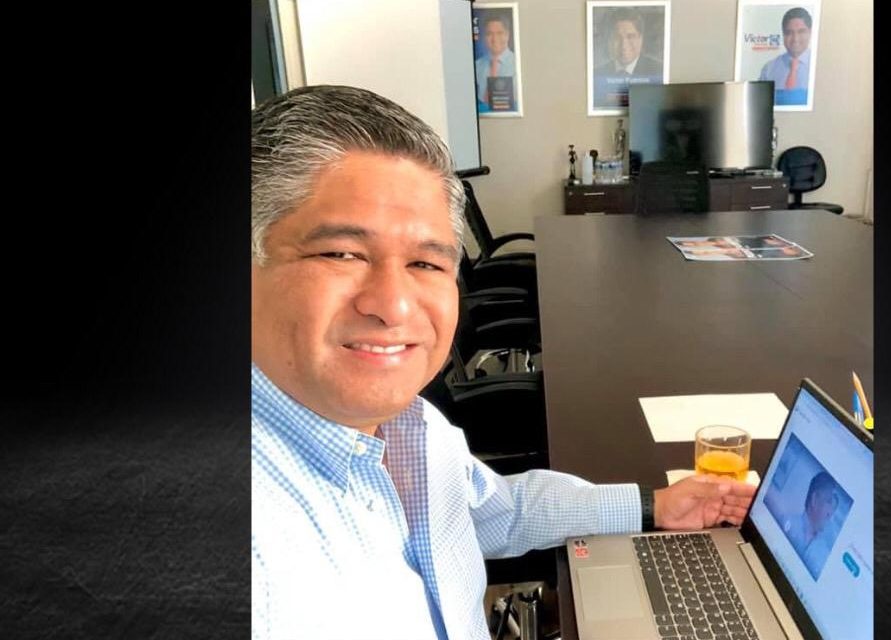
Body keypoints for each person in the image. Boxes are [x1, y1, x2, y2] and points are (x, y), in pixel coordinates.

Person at [251, 85, 758, 639]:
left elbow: (499, 511)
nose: (394, 305)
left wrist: (653, 504)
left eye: (425, 262)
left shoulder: (412, 429)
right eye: (341, 253)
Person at [592, 9, 663, 108]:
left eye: (630, 37)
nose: (624, 45)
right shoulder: (597, 74)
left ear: (641, 39)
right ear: (609, 41)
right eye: (617, 37)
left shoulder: (658, 71)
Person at [783, 471, 840, 576]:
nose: (830, 514)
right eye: (829, 502)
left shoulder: (825, 554)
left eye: (833, 509)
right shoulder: (785, 522)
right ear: (814, 499)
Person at [758, 7, 813, 106]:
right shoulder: (769, 69)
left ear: (810, 32)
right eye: (789, 33)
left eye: (801, 32)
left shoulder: (820, 67)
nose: (795, 39)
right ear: (783, 35)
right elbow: (760, 106)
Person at [474, 13, 518, 112]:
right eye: (489, 34)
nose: (494, 39)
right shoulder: (476, 66)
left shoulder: (518, 64)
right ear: (484, 37)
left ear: (507, 35)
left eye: (499, 33)